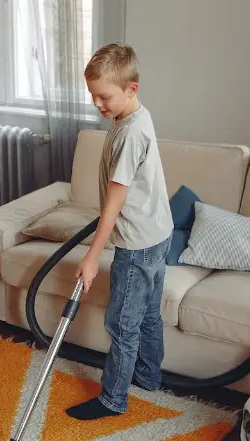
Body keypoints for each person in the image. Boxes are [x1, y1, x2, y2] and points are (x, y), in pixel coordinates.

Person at [68, 43, 174, 421]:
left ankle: (113, 400)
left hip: (137, 243)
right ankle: (148, 377)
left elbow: (114, 203)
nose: (99, 104)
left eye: (105, 96)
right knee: (147, 315)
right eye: (93, 95)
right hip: (158, 232)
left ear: (132, 88)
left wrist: (92, 257)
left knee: (122, 323)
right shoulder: (133, 117)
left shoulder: (130, 134)